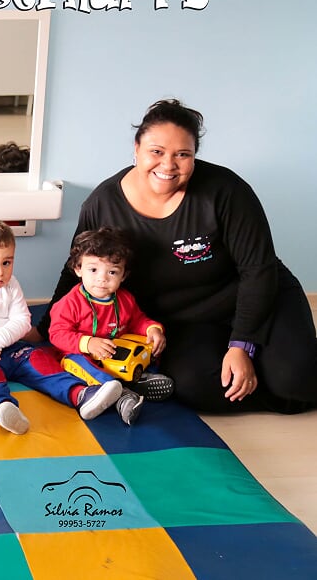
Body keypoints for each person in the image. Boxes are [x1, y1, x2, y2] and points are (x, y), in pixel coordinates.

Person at [36, 98, 317, 414]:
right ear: (137, 149)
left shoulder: (226, 191)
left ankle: (281, 365)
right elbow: (76, 268)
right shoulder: (103, 203)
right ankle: (268, 371)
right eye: (156, 151)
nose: (168, 165)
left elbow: (258, 269)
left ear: (194, 155)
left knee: (295, 384)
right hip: (186, 322)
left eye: (183, 154)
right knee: (194, 387)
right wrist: (44, 329)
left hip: (257, 298)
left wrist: (241, 345)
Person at [0, 217, 123, 435]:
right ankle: (4, 407)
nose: (0, 272)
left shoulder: (11, 285)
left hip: (11, 348)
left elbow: (23, 320)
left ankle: (80, 395)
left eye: (6, 262)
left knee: (40, 361)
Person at [47, 228, 173, 426]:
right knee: (77, 362)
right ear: (78, 269)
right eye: (93, 270)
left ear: (123, 275)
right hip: (81, 355)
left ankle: (139, 379)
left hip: (116, 354)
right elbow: (57, 334)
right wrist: (88, 343)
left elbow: (137, 320)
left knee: (146, 345)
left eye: (112, 272)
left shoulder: (125, 299)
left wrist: (152, 329)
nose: (102, 278)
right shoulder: (69, 303)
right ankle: (120, 394)